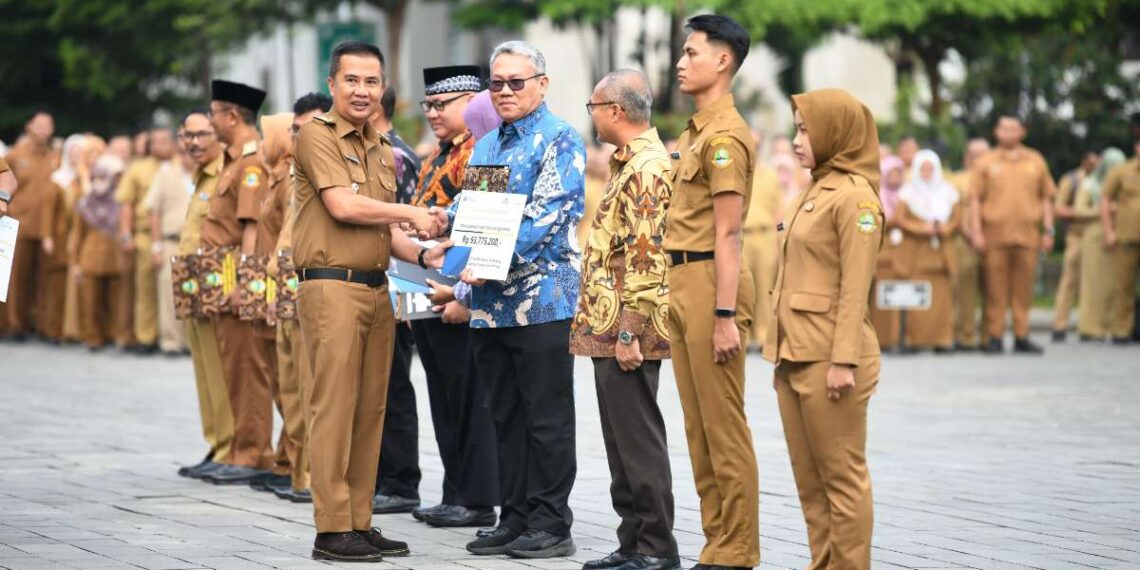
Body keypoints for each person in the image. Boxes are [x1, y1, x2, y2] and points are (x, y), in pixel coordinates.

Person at [291, 39, 448, 562]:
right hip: (330, 286)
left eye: (371, 81)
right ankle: (330, 527)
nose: (362, 91)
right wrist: (411, 216)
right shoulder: (316, 136)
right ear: (333, 82)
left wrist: (426, 255)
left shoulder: (381, 148)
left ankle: (359, 521)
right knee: (333, 407)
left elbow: (389, 236)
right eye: (352, 80)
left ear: (383, 89)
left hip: (376, 287)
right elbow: (344, 206)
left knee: (370, 410)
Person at [452, 40, 584, 560]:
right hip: (490, 304)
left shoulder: (560, 139)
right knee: (504, 413)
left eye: (516, 82)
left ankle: (553, 523)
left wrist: (482, 259)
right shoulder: (486, 147)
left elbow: (547, 218)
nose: (505, 91)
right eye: (497, 83)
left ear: (542, 84)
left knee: (545, 417)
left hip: (542, 300)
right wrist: (452, 246)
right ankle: (517, 516)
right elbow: (474, 211)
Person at [765, 88, 883, 570]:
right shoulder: (814, 188)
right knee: (811, 485)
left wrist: (844, 360)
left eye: (806, 129)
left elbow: (857, 290)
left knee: (842, 480)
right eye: (795, 127)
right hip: (794, 352)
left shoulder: (856, 198)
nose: (797, 139)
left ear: (836, 133)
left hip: (832, 358)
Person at [573, 69, 680, 570]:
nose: (591, 115)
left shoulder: (648, 168)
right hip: (608, 322)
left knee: (638, 439)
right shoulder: (626, 163)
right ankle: (633, 542)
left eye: (594, 106)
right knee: (620, 441)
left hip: (627, 327)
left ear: (615, 111)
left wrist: (630, 329)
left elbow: (647, 255)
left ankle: (657, 548)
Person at [665, 15, 758, 570]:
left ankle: (739, 547)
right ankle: (716, 542)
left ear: (723, 61)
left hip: (709, 283)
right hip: (682, 279)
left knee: (723, 425)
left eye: (693, 52)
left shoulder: (724, 138)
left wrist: (725, 314)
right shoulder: (695, 131)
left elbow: (729, 232)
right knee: (698, 426)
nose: (682, 62)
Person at [404, 64, 500, 529]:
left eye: (442, 105)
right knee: (443, 396)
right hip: (425, 289)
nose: (432, 113)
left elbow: (483, 232)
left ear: (471, 103)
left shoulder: (482, 151)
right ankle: (454, 490)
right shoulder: (435, 156)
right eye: (428, 105)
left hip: (460, 291)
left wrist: (465, 295)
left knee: (469, 397)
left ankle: (477, 496)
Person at [198, 79, 277, 484]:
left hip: (235, 269)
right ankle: (237, 448)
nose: (210, 121)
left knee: (248, 365)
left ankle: (253, 452)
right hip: (219, 268)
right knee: (231, 363)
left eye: (213, 113)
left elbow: (251, 227)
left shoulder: (250, 162)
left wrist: (244, 280)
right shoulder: (232, 159)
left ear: (231, 115)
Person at [263, 92, 332, 505]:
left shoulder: (325, 171)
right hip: (285, 284)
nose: (297, 135)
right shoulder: (292, 173)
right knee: (288, 384)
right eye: (294, 128)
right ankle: (295, 469)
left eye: (306, 127)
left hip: (310, 283)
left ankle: (309, 474)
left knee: (311, 386)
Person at [366, 84, 425, 517]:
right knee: (377, 384)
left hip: (398, 283)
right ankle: (382, 477)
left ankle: (402, 482)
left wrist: (408, 297)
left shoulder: (396, 155)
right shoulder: (371, 151)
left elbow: (403, 228)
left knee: (394, 386)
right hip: (376, 282)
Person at [175, 110, 235, 481]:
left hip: (217, 284)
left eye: (201, 135)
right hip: (193, 281)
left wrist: (230, 287)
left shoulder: (226, 175)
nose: (193, 142)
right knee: (203, 370)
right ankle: (216, 443)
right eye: (188, 135)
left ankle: (231, 446)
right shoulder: (199, 177)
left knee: (221, 370)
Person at [970, 115, 1056, 354]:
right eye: (1004, 128)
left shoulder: (1035, 160)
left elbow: (1046, 198)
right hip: (994, 235)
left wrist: (1048, 230)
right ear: (997, 132)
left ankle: (1022, 335)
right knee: (994, 288)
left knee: (1024, 289)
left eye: (1013, 128)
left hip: (1027, 235)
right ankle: (995, 336)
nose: (1008, 133)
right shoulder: (986, 162)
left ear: (1022, 132)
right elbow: (975, 200)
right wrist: (976, 231)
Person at [890, 150, 961, 351]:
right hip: (917, 252)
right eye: (923, 168)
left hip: (941, 252)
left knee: (942, 300)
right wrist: (921, 228)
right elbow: (899, 218)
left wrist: (943, 229)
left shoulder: (948, 191)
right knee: (917, 297)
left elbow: (956, 219)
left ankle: (943, 340)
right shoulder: (908, 192)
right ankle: (915, 340)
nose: (927, 172)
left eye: (931, 168)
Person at [116, 127, 173, 354]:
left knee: (170, 289)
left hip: (172, 235)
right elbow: (126, 204)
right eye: (155, 141)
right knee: (146, 289)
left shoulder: (180, 167)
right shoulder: (138, 169)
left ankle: (169, 336)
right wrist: (126, 233)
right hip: (145, 235)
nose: (160, 145)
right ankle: (146, 337)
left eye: (164, 141)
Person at [4, 110, 57, 340]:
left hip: (47, 228)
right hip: (19, 223)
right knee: (17, 279)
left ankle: (44, 326)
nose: (43, 129)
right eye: (39, 125)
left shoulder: (56, 157)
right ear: (29, 126)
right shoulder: (15, 155)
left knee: (46, 279)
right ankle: (16, 325)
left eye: (47, 125)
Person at [146, 130, 195, 355]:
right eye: (184, 152)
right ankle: (170, 342)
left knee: (193, 292)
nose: (188, 157)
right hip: (171, 241)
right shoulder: (166, 174)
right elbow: (153, 211)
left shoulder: (206, 175)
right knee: (168, 292)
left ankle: (190, 342)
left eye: (193, 152)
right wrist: (156, 246)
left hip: (197, 242)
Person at [73, 154, 128, 351]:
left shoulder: (118, 203)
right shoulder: (84, 205)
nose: (98, 184)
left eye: (102, 179)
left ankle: (114, 335)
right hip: (90, 258)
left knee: (115, 302)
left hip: (114, 258)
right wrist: (77, 263)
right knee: (90, 302)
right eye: (95, 179)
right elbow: (77, 237)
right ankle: (93, 338)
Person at [37, 135, 86, 343]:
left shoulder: (87, 178)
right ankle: (54, 329)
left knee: (80, 285)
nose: (75, 156)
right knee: (57, 284)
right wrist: (46, 235)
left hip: (83, 237)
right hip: (60, 236)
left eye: (79, 152)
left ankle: (79, 330)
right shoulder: (58, 178)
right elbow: (48, 210)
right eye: (72, 151)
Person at [1050, 151, 1100, 341]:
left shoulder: (1103, 179)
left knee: (1093, 283)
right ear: (1084, 162)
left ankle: (1089, 326)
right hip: (1077, 234)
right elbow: (1058, 208)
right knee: (1070, 280)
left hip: (1097, 236)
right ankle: (1059, 324)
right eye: (1092, 164)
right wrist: (1083, 212)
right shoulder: (1071, 180)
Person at [1076, 148, 1125, 340]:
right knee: (1093, 283)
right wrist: (1102, 210)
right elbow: (1079, 210)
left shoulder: (1124, 186)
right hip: (1094, 237)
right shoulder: (1089, 184)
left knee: (1115, 285)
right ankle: (1090, 327)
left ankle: (1113, 325)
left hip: (1119, 235)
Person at [947, 138, 990, 350]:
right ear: (967, 157)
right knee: (965, 290)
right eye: (975, 155)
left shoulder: (995, 176)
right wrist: (970, 234)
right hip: (964, 240)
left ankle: (989, 336)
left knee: (993, 290)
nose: (979, 159)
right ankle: (966, 336)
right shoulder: (957, 180)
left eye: (983, 154)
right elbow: (952, 211)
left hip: (993, 239)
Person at [742, 137, 782, 352]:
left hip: (765, 235)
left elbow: (778, 210)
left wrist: (778, 243)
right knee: (744, 288)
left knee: (766, 286)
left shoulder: (771, 176)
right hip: (743, 235)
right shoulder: (738, 173)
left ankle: (764, 335)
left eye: (757, 145)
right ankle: (745, 336)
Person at [1101, 137, 1140, 344]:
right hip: (1126, 236)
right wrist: (1109, 231)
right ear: (1136, 147)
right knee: (1123, 287)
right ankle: (1121, 330)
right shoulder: (1121, 171)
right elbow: (1105, 200)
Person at [869, 155, 905, 349]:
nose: (895, 177)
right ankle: (881, 339)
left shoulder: (909, 195)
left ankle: (901, 338)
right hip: (881, 253)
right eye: (891, 173)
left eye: (898, 173)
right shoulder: (875, 196)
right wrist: (896, 221)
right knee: (880, 298)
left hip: (904, 255)